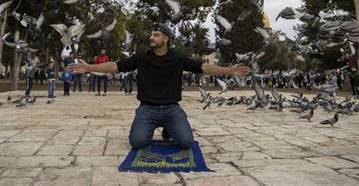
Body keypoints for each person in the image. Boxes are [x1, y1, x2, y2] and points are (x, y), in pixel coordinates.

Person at [68, 23, 251, 150]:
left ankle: (167, 128)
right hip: (147, 108)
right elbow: (115, 66)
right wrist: (89, 68)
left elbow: (204, 67)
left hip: (172, 108)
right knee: (138, 142)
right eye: (151, 34)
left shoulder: (178, 58)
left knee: (186, 143)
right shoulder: (141, 57)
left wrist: (229, 70)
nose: (151, 37)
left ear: (166, 38)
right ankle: (155, 125)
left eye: (156, 35)